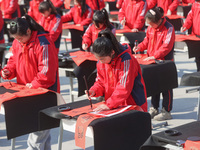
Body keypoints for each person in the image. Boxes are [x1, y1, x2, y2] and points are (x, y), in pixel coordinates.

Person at [1, 15, 60, 150]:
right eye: (16, 39)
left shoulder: (43, 42)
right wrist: (7, 71)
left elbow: (47, 71)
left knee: (38, 132)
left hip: (44, 92)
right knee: (42, 131)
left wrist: (34, 84)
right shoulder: (17, 42)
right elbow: (13, 61)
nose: (18, 41)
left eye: (20, 38)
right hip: (27, 91)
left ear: (28, 31)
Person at [86, 29, 147, 112]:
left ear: (112, 52)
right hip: (114, 104)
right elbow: (100, 82)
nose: (100, 62)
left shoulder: (126, 60)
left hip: (132, 103)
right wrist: (94, 90)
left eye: (102, 59)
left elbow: (124, 86)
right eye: (98, 59)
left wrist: (110, 104)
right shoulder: (101, 62)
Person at [133, 7, 175, 121]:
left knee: (166, 87)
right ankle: (154, 108)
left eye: (151, 24)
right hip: (152, 60)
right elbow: (147, 39)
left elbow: (166, 46)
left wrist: (155, 55)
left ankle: (166, 111)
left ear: (158, 21)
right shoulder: (151, 28)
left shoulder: (169, 28)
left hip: (165, 62)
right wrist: (140, 47)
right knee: (154, 85)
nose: (150, 26)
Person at [181, 0, 200, 71]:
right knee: (197, 57)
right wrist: (185, 26)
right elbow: (190, 16)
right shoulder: (195, 4)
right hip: (195, 36)